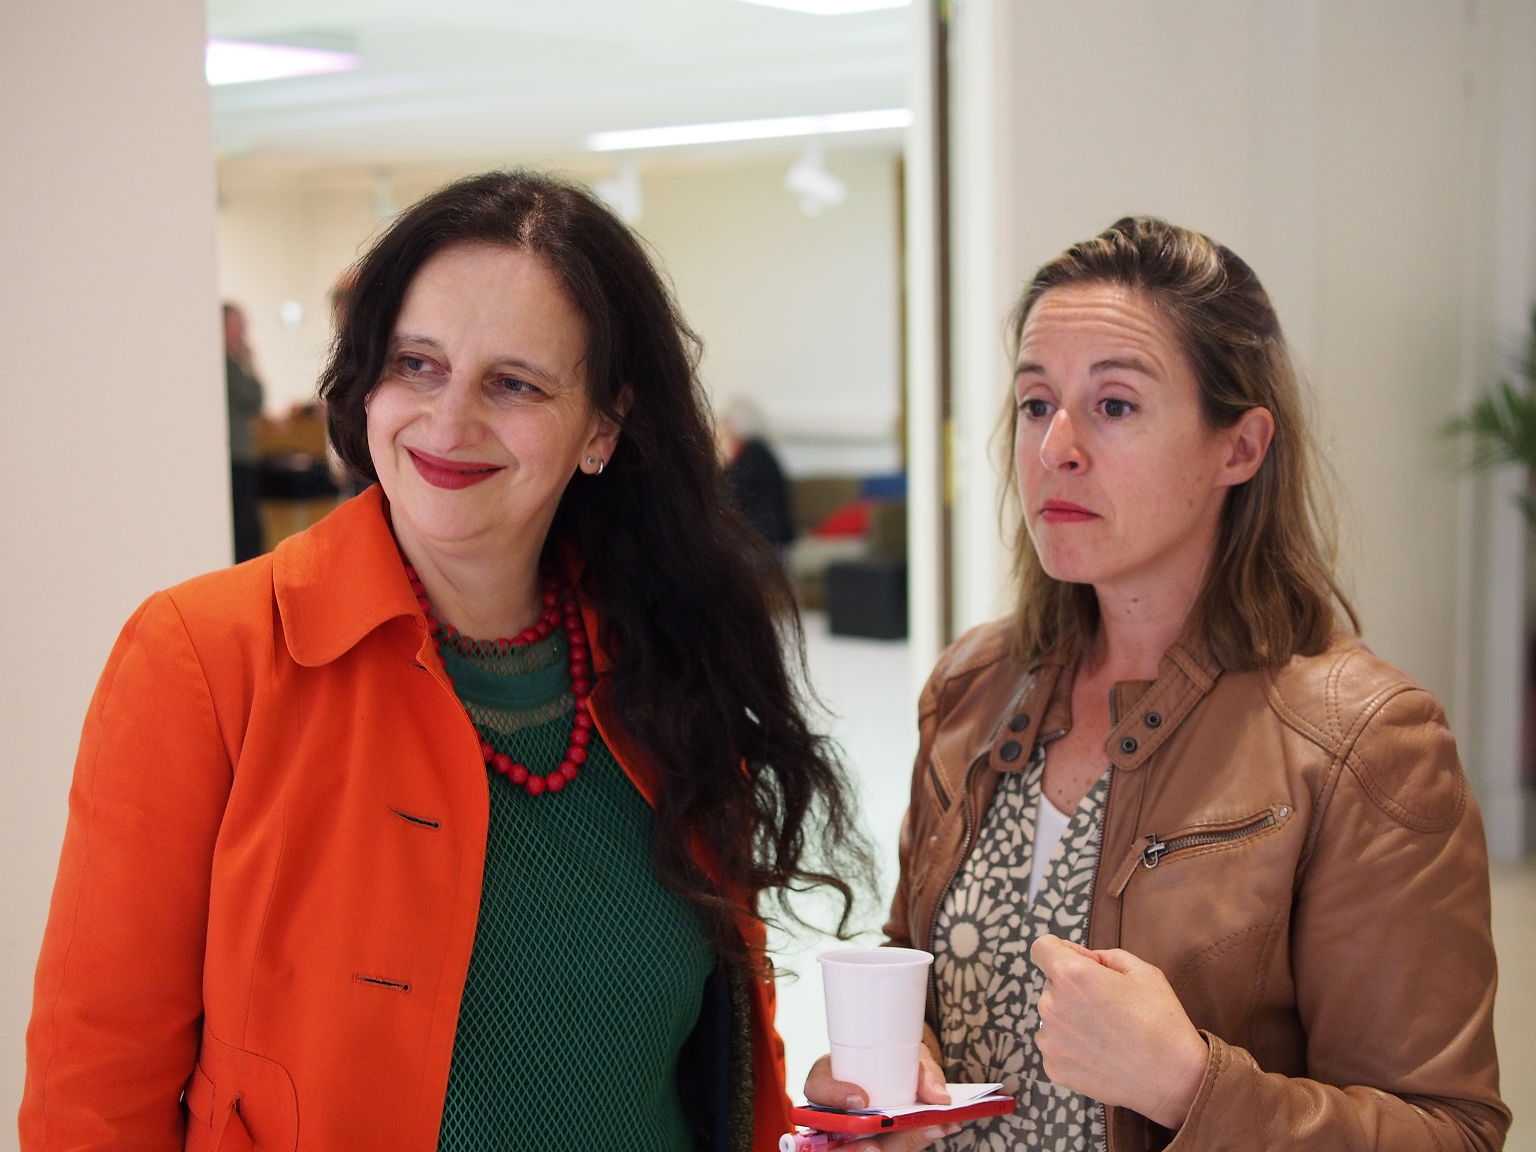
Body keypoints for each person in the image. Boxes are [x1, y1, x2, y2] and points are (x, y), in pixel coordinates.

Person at [23, 170, 869, 1152]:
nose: (449, 420)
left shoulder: (670, 663)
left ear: (602, 427)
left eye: (513, 383)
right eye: (416, 364)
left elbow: (716, 1058)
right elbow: (96, 1087)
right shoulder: (204, 658)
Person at [805, 217, 1510, 1150]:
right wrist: (888, 1078)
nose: (1056, 447)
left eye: (1115, 405)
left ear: (1239, 448)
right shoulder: (973, 686)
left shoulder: (1366, 740)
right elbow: (922, 972)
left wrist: (1189, 1086)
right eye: (1035, 403)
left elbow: (1450, 1131)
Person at [719, 396, 795, 553]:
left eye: (727, 422)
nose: (724, 429)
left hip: (764, 538)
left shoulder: (754, 454)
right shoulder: (759, 451)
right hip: (766, 535)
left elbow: (732, 493)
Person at [223, 301, 266, 562]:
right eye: (238, 324)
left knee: (247, 526)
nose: (243, 331)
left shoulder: (232, 362)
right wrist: (249, 363)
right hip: (236, 455)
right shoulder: (227, 364)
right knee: (243, 528)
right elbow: (254, 396)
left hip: (241, 453)